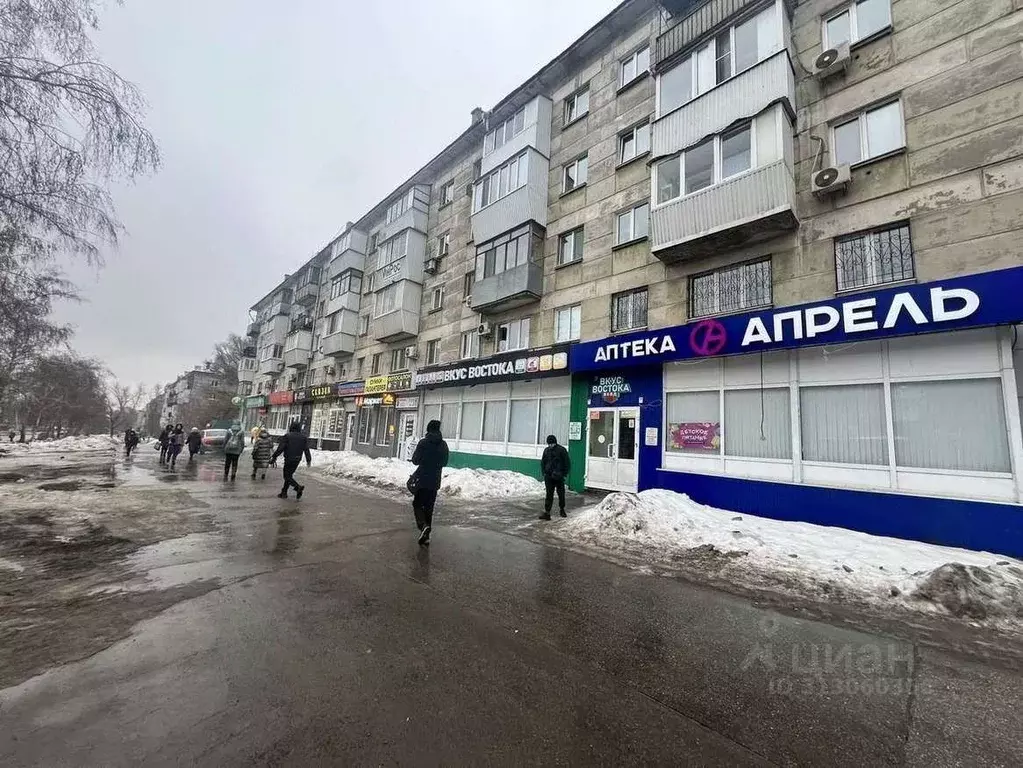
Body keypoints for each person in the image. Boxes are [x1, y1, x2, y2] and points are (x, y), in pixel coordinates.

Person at [410, 419, 449, 546]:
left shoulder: (423, 443)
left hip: (422, 479)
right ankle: (426, 537)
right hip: (435, 481)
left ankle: (423, 527)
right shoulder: (443, 445)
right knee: (429, 508)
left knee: (417, 504)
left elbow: (415, 460)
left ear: (428, 429)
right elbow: (445, 462)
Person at [270, 421, 311, 499]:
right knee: (289, 476)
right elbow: (306, 449)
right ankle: (284, 492)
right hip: (297, 459)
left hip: (289, 458)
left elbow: (281, 448)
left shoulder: (287, 436)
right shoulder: (303, 437)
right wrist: (308, 460)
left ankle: (297, 487)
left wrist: (274, 456)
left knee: (286, 476)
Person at [539, 434, 571, 520]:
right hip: (548, 477)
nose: (550, 445)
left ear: (555, 443)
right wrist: (544, 473)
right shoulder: (546, 450)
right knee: (549, 495)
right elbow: (543, 462)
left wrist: (564, 474)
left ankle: (562, 509)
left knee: (561, 494)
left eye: (552, 444)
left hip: (559, 476)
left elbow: (567, 463)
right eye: (549, 444)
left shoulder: (561, 450)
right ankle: (547, 513)